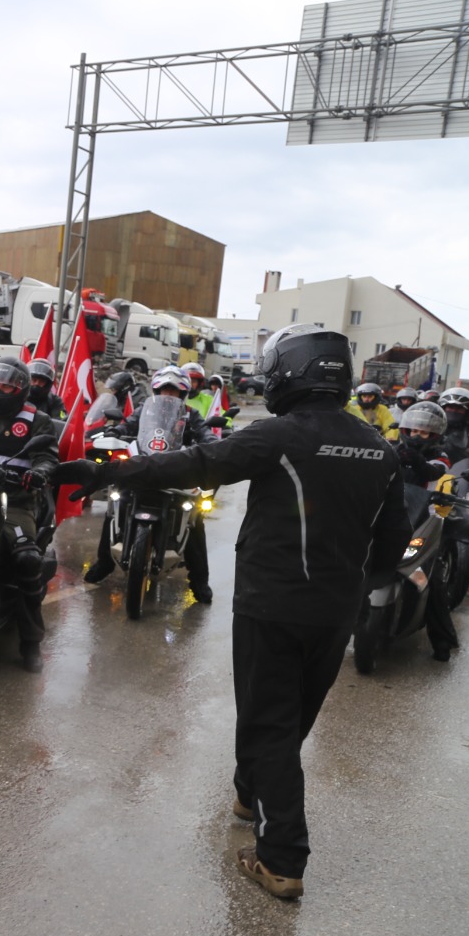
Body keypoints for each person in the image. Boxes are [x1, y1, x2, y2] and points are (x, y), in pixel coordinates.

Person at [55, 323, 410, 901]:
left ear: (289, 371)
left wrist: (101, 472)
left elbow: (188, 466)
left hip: (273, 604)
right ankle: (250, 793)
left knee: (270, 722)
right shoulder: (380, 447)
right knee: (289, 718)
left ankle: (281, 858)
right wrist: (356, 587)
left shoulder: (280, 434)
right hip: (336, 610)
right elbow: (392, 537)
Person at [83, 366, 217, 603]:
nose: (168, 393)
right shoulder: (145, 409)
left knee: (195, 518)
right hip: (144, 466)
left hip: (176, 471)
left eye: (174, 390)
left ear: (182, 394)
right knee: (115, 503)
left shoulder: (190, 414)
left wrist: (210, 443)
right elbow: (127, 426)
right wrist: (113, 431)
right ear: (156, 389)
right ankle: (104, 562)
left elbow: (204, 433)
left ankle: (199, 581)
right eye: (165, 388)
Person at [0, 357, 60, 672]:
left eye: (6, 386)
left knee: (27, 560)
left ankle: (30, 643)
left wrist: (38, 473)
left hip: (13, 503)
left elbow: (47, 457)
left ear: (20, 389)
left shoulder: (37, 421)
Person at [393, 401, 459, 661]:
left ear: (435, 436)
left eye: (424, 433)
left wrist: (417, 460)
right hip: (390, 513)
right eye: (413, 431)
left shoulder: (440, 456)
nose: (417, 436)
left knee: (430, 579)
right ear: (404, 430)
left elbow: (433, 472)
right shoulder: (392, 448)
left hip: (423, 517)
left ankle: (442, 641)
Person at [437, 387, 469, 464]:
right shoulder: (433, 426)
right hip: (434, 471)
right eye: (450, 407)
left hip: (462, 473)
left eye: (459, 408)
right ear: (443, 408)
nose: (454, 411)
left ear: (468, 412)